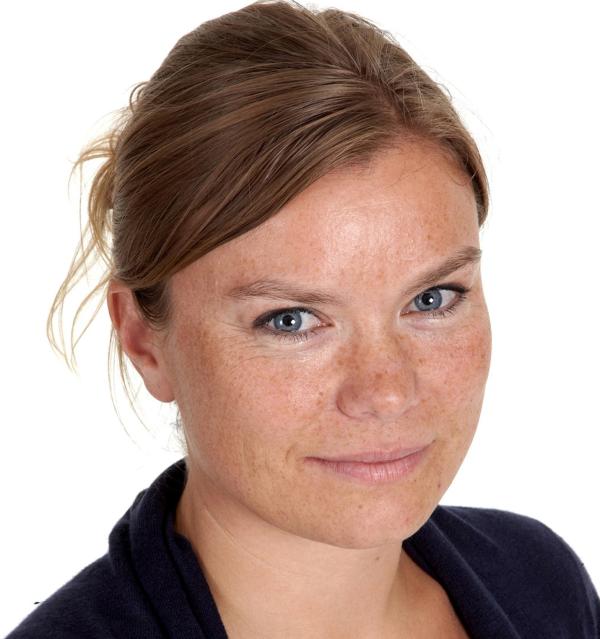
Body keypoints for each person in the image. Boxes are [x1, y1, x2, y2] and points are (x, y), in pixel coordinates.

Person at [6, 1, 599, 637]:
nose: (386, 392)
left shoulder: (539, 583)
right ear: (143, 340)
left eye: (432, 299)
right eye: (290, 320)